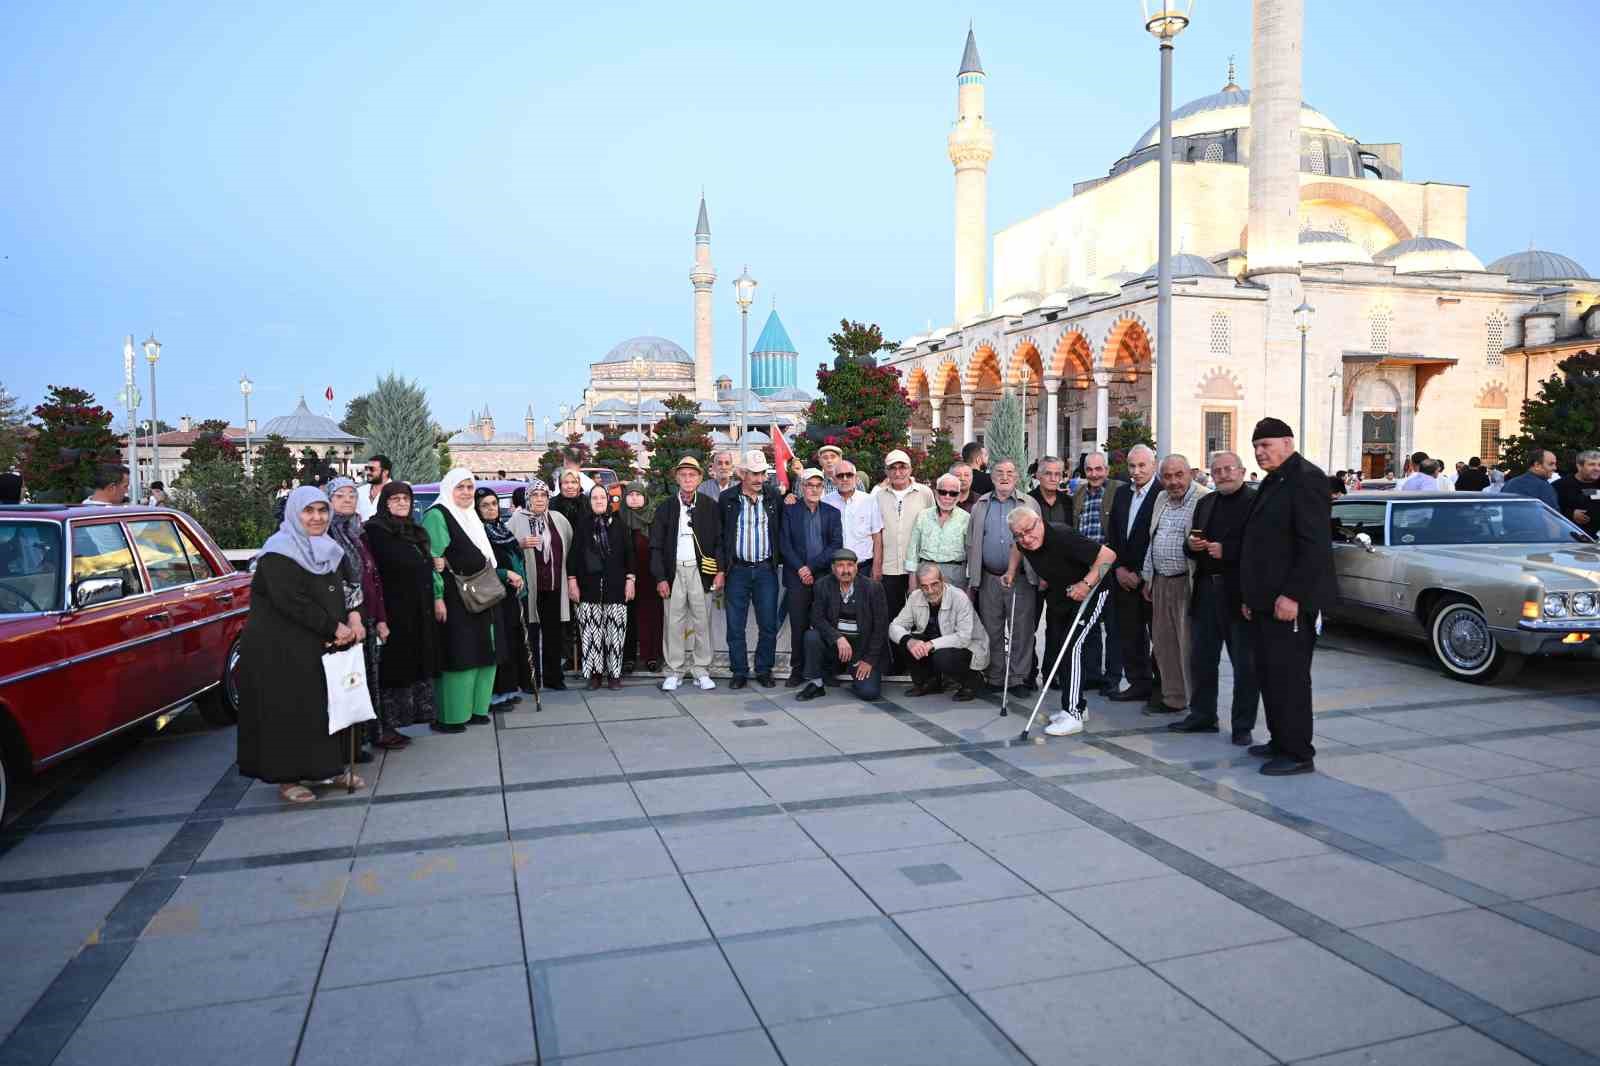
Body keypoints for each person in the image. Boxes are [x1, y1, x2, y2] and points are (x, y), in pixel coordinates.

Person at [236, 486, 364, 803]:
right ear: (295, 513)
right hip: (282, 648)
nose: (317, 517)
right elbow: (291, 601)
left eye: (322, 511)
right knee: (291, 710)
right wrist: (333, 626)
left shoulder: (328, 548)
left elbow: (348, 587)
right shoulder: (278, 552)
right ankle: (288, 777)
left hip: (323, 644)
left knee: (325, 706)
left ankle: (329, 767)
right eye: (309, 511)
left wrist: (353, 618)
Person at [1239, 418, 1336, 776]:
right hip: (1266, 600)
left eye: (1266, 445)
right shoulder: (1274, 480)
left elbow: (1313, 546)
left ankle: (1298, 753)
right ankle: (1280, 739)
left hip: (1290, 602)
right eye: (1256, 446)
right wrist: (1252, 596)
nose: (1259, 452)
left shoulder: (1306, 478)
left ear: (1287, 442)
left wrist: (1292, 595)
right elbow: (1261, 543)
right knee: (1269, 674)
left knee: (1291, 678)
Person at [1173, 452, 1259, 743]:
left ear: (1242, 471)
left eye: (1228, 469)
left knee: (1244, 665)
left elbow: (1263, 548)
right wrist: (1192, 545)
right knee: (1202, 659)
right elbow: (1191, 546)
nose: (1223, 474)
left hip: (1239, 593)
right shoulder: (1206, 502)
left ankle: (1242, 726)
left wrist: (1228, 550)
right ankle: (1203, 715)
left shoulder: (1255, 503)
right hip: (1207, 591)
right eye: (1217, 470)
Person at [1008, 508, 1117, 737]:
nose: (1026, 538)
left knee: (1072, 647)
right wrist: (1011, 571)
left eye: (1029, 531)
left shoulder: (1062, 535)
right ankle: (1076, 705)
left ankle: (1074, 715)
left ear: (1040, 522)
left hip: (1092, 592)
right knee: (1060, 649)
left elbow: (1108, 556)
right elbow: (1017, 549)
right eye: (1019, 534)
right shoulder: (1022, 542)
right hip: (1062, 593)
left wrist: (1086, 585)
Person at [424, 468, 510, 732]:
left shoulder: (470, 514)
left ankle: (477, 710)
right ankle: (452, 716)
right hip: (455, 597)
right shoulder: (438, 515)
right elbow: (433, 558)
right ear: (449, 489)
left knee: (485, 652)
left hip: (483, 595)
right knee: (459, 654)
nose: (465, 493)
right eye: (459, 487)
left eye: (469, 487)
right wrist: (438, 597)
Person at [362, 481, 440, 744]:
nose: (402, 503)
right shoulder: (376, 530)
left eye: (406, 499)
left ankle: (400, 723)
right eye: (395, 499)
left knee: (410, 664)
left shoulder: (412, 530)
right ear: (385, 502)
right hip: (393, 611)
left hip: (416, 610)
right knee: (392, 669)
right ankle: (385, 727)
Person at [966, 458, 1040, 694]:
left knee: (1021, 630)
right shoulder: (981, 505)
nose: (1004, 477)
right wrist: (973, 579)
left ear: (1017, 477)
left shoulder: (1028, 503)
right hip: (989, 577)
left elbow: (1039, 540)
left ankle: (1018, 678)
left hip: (1020, 578)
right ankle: (996, 677)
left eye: (1010, 472)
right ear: (991, 476)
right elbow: (971, 542)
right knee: (992, 629)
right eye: (999, 472)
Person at [1138, 455, 1205, 716]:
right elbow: (1152, 538)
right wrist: (1148, 577)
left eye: (1179, 475)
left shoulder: (1203, 498)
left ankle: (1198, 704)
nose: (1173, 481)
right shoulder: (1161, 498)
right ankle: (1173, 698)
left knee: (1188, 645)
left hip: (1187, 583)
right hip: (1161, 582)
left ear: (1190, 473)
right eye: (1167, 476)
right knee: (1164, 645)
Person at [649, 457, 722, 692]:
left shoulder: (710, 506)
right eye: (683, 475)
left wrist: (720, 571)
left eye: (692, 475)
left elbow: (721, 541)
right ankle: (674, 671)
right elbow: (656, 546)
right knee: (673, 623)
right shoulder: (666, 507)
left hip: (701, 572)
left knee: (703, 622)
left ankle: (701, 670)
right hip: (674, 571)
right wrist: (660, 577)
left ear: (700, 478)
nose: (688, 479)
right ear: (677, 478)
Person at [325, 477, 384, 761]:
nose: (347, 500)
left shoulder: (356, 530)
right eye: (340, 496)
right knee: (345, 681)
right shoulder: (327, 532)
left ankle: (361, 739)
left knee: (362, 678)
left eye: (351, 495)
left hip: (364, 615)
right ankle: (346, 746)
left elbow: (370, 573)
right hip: (342, 619)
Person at [718, 450, 783, 688]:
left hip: (766, 570)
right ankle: (739, 672)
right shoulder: (727, 499)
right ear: (742, 474)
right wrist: (722, 569)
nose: (759, 478)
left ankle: (764, 669)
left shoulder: (774, 496)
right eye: (754, 474)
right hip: (737, 570)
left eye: (763, 473)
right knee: (735, 625)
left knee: (768, 624)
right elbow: (721, 536)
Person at [871, 448, 935, 671]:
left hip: (916, 569)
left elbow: (931, 526)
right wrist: (876, 567)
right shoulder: (877, 495)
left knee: (918, 618)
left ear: (910, 469)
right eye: (893, 468)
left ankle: (918, 666)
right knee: (891, 618)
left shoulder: (925, 493)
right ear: (887, 471)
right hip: (887, 567)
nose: (898, 472)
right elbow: (874, 531)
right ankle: (895, 664)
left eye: (902, 467)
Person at [1105, 445, 1160, 703]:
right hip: (1123, 578)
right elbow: (1114, 534)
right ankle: (1139, 682)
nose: (1136, 472)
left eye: (1142, 466)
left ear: (1154, 465)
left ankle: (1162, 688)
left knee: (1159, 636)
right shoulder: (1122, 494)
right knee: (1130, 632)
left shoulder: (1162, 494)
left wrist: (1141, 573)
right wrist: (1118, 569)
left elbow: (1157, 539)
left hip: (1151, 580)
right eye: (1132, 466)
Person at [796, 548, 888, 702]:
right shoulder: (822, 585)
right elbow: (816, 618)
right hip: (836, 649)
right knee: (811, 636)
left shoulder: (872, 588)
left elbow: (881, 628)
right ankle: (816, 684)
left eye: (850, 565)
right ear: (833, 569)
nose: (846, 570)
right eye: (840, 566)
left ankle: (856, 677)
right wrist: (837, 637)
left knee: (869, 693)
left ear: (856, 567)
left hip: (862, 652)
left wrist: (869, 660)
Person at [779, 467, 843, 687]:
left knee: (827, 623)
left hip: (824, 577)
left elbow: (836, 545)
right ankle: (797, 670)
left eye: (818, 485)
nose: (813, 489)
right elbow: (784, 544)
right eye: (809, 485)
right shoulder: (789, 511)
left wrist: (811, 568)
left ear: (823, 488)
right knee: (799, 626)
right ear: (802, 487)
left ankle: (828, 670)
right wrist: (801, 569)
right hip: (796, 578)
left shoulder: (832, 513)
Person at [508, 480, 573, 691]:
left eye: (543, 495)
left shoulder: (558, 519)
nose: (539, 499)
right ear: (528, 497)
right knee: (530, 634)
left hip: (554, 585)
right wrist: (520, 543)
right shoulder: (517, 519)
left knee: (554, 633)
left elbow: (568, 543)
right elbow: (503, 547)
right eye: (534, 495)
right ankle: (530, 680)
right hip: (530, 587)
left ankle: (555, 677)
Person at [889, 563, 987, 701]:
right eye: (924, 586)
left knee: (942, 656)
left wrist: (930, 644)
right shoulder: (915, 596)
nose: (930, 590)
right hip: (936, 644)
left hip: (968, 647)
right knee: (905, 640)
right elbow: (894, 626)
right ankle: (929, 683)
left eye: (934, 584)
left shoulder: (959, 597)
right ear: (918, 586)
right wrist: (909, 641)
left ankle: (971, 682)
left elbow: (963, 638)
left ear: (943, 581)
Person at [570, 483, 634, 689]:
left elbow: (629, 555)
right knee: (591, 632)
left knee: (615, 633)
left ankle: (614, 675)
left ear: (608, 501)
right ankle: (595, 674)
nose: (598, 501)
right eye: (594, 498)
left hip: (615, 587)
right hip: (588, 588)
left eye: (602, 498)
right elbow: (573, 557)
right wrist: (572, 582)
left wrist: (630, 581)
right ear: (589, 502)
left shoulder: (619, 525)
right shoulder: (582, 526)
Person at [1072, 452, 1124, 697]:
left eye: (1098, 469)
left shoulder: (1118, 491)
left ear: (1107, 469)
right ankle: (1093, 674)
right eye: (1089, 469)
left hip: (1109, 567)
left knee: (1114, 626)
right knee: (1089, 624)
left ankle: (1112, 678)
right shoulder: (1079, 493)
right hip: (1085, 568)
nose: (1094, 474)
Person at [476, 487, 534, 707]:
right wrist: (505, 574)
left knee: (513, 641)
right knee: (499, 643)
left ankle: (509, 689)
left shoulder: (502, 529)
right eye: (485, 505)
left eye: (493, 504)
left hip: (513, 594)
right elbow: (483, 566)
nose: (491, 509)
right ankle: (495, 694)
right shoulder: (479, 533)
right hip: (494, 595)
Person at [1029, 455, 1074, 689]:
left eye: (1058, 474)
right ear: (1038, 475)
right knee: (1030, 627)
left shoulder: (1068, 502)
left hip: (1060, 576)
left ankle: (1052, 673)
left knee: (1057, 628)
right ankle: (1029, 673)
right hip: (1034, 575)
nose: (1053, 478)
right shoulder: (1027, 502)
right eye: (1048, 473)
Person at [619, 481, 663, 672]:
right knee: (627, 616)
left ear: (645, 497)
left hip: (650, 575)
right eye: (630, 494)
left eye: (638, 494)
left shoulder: (653, 518)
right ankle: (627, 657)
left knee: (651, 616)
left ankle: (651, 656)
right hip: (625, 576)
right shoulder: (619, 517)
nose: (634, 498)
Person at [905, 472, 971, 588]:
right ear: (936, 493)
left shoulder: (966, 519)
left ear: (959, 495)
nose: (947, 497)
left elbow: (971, 554)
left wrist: (970, 588)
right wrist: (912, 583)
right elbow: (913, 549)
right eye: (943, 492)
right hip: (925, 573)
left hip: (955, 575)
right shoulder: (923, 516)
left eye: (953, 493)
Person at [824, 459, 884, 576]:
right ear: (834, 480)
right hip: (835, 569)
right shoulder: (826, 502)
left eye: (849, 475)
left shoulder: (870, 501)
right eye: (840, 476)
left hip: (863, 567)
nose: (845, 479)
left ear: (856, 478)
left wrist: (877, 566)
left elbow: (877, 536)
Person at [1554, 449, 1600, 535]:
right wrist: (1570, 514)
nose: (1597, 468)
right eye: (1592, 464)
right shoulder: (1561, 485)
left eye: (1599, 465)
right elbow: (1549, 510)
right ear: (1579, 466)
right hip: (1572, 539)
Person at [357, 454, 392, 520]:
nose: (368, 472)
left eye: (372, 469)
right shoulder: (360, 491)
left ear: (385, 472)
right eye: (366, 468)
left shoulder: (396, 492)